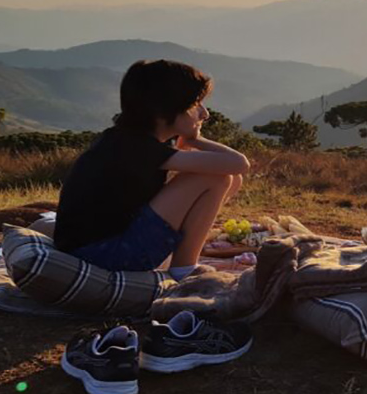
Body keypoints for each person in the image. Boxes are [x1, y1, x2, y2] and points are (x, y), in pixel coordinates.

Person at [53, 59, 250, 281]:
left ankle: (180, 257)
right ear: (163, 110)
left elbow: (234, 168)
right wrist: (197, 140)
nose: (204, 114)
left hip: (101, 246)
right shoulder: (136, 146)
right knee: (215, 178)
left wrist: (191, 139)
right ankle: (183, 269)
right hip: (105, 255)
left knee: (230, 180)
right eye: (195, 104)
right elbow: (238, 163)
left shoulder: (128, 139)